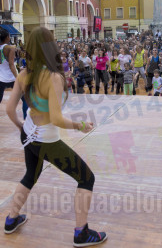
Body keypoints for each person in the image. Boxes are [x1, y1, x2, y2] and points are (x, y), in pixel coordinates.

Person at [4, 27, 107, 247]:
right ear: (50, 47)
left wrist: (21, 127)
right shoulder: (53, 77)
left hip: (29, 134)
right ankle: (81, 233)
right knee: (86, 178)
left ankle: (11, 219)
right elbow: (57, 119)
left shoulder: (23, 74)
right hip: (46, 140)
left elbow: (10, 109)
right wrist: (80, 125)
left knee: (31, 174)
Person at [0, 29, 28, 119]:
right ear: (7, 37)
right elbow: (11, 64)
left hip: (1, 78)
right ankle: (26, 120)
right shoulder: (10, 48)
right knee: (25, 99)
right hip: (11, 78)